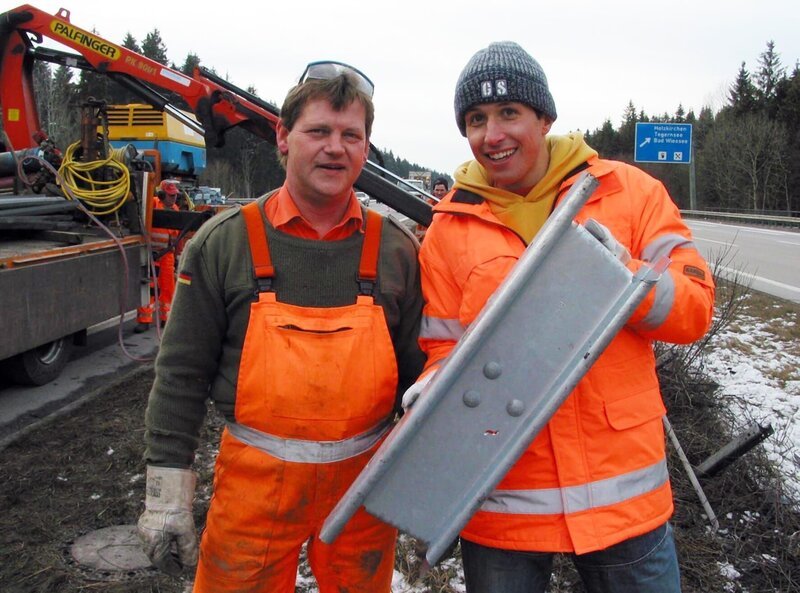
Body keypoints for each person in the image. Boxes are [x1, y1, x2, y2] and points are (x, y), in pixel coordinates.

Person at [405, 42, 716, 593]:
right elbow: (444, 347)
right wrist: (433, 388)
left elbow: (694, 311)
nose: (492, 134)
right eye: (476, 120)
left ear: (544, 118)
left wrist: (624, 277)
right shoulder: (448, 229)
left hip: (622, 500)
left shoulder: (628, 193)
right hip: (503, 501)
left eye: (508, 112)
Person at [136, 61, 425, 593]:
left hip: (362, 490)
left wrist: (432, 483)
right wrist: (165, 497)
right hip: (253, 487)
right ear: (283, 137)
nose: (335, 148)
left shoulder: (396, 250)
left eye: (351, 135)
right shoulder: (223, 243)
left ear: (366, 148)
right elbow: (181, 374)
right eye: (318, 131)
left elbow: (420, 379)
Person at [135, 179, 181, 332]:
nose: (174, 198)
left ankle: (165, 319)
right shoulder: (153, 204)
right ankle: (144, 319)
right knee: (149, 288)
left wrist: (177, 255)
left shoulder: (175, 210)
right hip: (152, 254)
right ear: (161, 195)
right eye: (171, 195)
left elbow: (177, 237)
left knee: (168, 288)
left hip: (167, 255)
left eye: (175, 195)